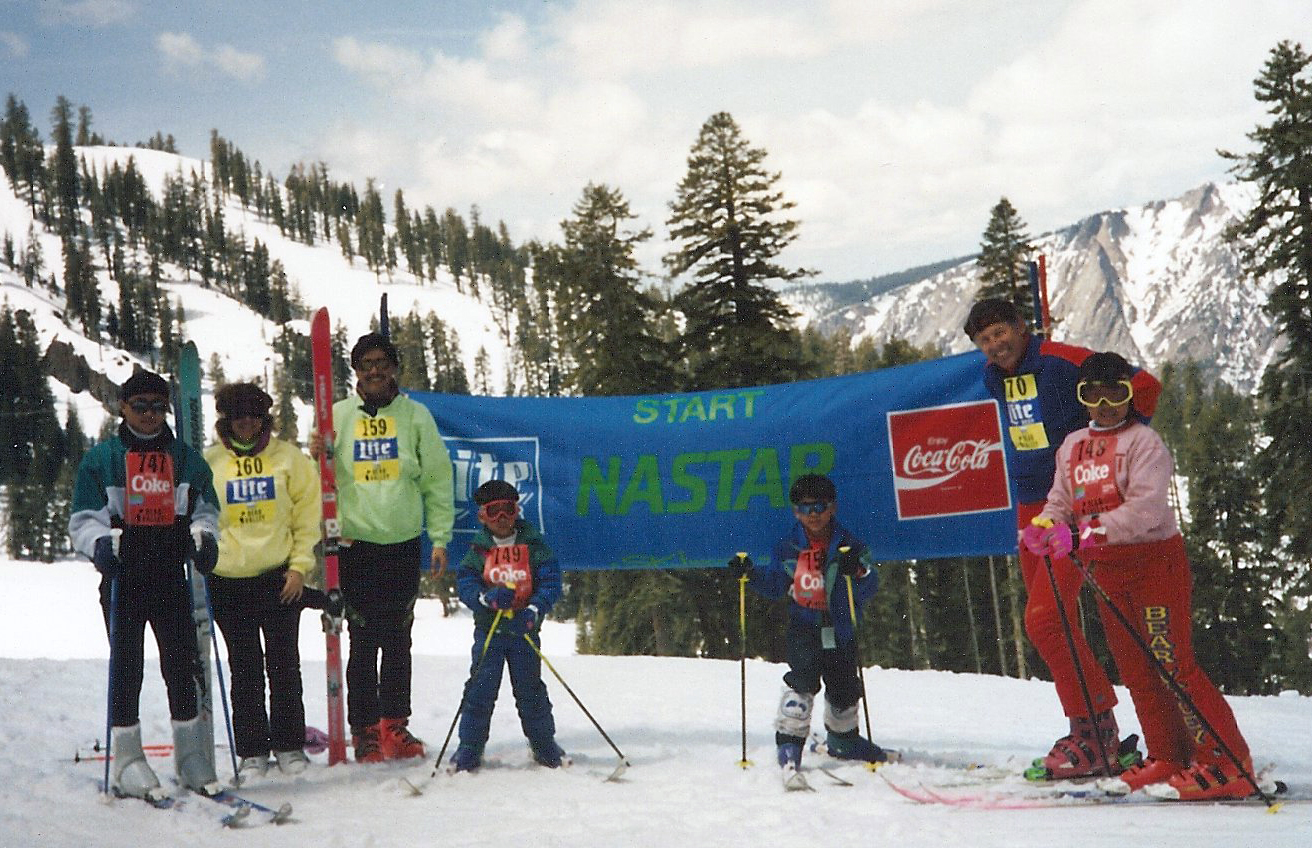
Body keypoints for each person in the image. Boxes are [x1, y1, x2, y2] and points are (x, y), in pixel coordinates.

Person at [1022, 352, 1269, 800]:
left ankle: (1226, 760)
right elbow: (1061, 498)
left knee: (1173, 662)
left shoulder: (1143, 443)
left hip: (1154, 563)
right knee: (1136, 667)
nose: (1104, 403)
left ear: (1130, 394)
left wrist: (1084, 534)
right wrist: (1046, 524)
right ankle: (1169, 754)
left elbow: (1147, 509)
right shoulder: (1072, 444)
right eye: (1091, 393)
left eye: (1115, 392)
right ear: (1081, 398)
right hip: (1107, 568)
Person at [964, 298, 1160, 779]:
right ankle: (1095, 730)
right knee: (1052, 621)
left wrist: (1117, 450)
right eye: (984, 340)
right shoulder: (995, 376)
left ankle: (1098, 733)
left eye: (1000, 333)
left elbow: (1144, 386)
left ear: (1020, 327)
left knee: (1047, 620)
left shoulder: (1060, 360)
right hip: (1035, 510)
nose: (995, 345)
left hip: (1081, 508)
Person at [68, 370, 222, 800]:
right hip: (124, 578)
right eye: (141, 407)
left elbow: (205, 509)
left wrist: (204, 537)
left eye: (158, 406)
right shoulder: (103, 459)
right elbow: (83, 520)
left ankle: (189, 756)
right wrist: (99, 545)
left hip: (170, 576)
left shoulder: (186, 459)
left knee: (181, 663)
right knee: (127, 666)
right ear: (123, 408)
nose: (150, 415)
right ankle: (128, 760)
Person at [310, 332, 454, 762]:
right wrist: (317, 453)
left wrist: (441, 536)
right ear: (354, 370)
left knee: (398, 638)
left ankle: (395, 725)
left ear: (393, 368)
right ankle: (365, 729)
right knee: (362, 638)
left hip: (402, 543)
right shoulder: (335, 416)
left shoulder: (416, 417)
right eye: (365, 363)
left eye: (381, 362)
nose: (373, 370)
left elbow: (437, 480)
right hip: (355, 544)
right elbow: (317, 482)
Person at [204, 382, 324, 780]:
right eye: (238, 416)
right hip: (228, 580)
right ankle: (252, 750)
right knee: (245, 666)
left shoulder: (289, 459)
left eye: (254, 415)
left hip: (278, 579)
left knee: (284, 664)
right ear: (227, 418)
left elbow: (307, 518)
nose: (247, 423)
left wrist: (299, 568)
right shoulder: (210, 462)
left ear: (264, 417)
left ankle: (289, 745)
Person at [730, 474, 883, 779]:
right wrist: (750, 574)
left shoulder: (850, 545)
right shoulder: (788, 547)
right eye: (805, 508)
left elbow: (868, 586)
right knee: (801, 682)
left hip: (840, 627)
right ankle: (789, 743)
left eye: (820, 507)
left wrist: (860, 571)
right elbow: (777, 583)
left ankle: (844, 739)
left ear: (833, 508)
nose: (813, 515)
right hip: (805, 626)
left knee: (843, 686)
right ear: (795, 512)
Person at [449, 480, 565, 772]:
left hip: (523, 630)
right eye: (493, 511)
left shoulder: (533, 545)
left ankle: (543, 743)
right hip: (490, 631)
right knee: (480, 688)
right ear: (482, 516)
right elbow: (465, 584)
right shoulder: (478, 549)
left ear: (517, 511)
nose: (501, 518)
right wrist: (485, 599)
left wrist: (534, 610)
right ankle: (470, 747)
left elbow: (551, 581)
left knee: (530, 690)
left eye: (508, 510)